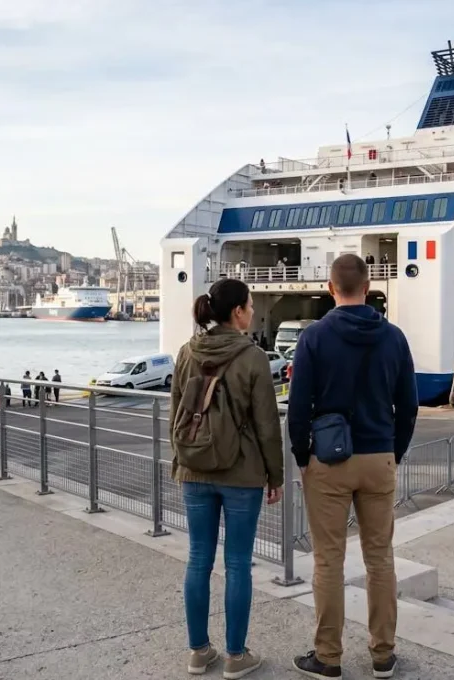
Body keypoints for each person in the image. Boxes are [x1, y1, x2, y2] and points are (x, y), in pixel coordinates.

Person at [287, 253, 417, 679]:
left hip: (329, 459)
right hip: (378, 457)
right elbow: (409, 406)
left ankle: (328, 657)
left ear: (330, 288)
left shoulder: (314, 337)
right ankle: (383, 655)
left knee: (329, 561)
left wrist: (302, 456)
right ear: (369, 287)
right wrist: (392, 452)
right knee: (380, 558)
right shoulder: (394, 338)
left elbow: (298, 406)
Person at [170, 277, 283, 679]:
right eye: (250, 306)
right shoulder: (252, 357)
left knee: (198, 558)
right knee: (237, 563)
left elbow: (177, 413)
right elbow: (268, 425)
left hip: (194, 468)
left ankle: (199, 652)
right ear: (237, 312)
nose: (252, 312)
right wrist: (275, 475)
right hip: (242, 472)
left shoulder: (186, 352)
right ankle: (236, 656)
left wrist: (179, 459)